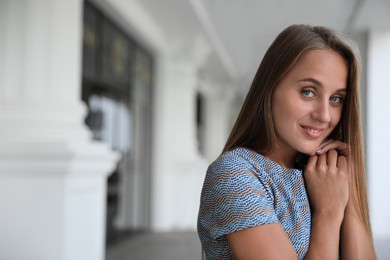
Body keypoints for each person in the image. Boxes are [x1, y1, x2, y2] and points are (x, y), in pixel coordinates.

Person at [197, 24, 376, 259]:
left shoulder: (325, 174)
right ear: (270, 88)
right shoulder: (234, 175)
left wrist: (349, 187)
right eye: (308, 92)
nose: (324, 115)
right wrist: (328, 214)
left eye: (335, 98)